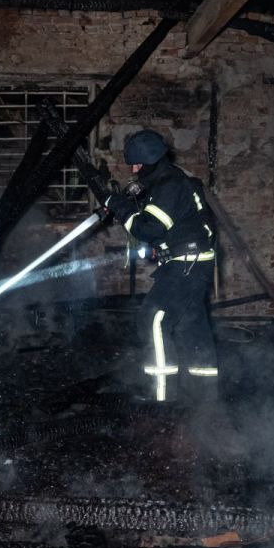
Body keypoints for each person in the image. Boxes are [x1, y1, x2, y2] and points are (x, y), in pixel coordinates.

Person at [105, 130, 219, 403]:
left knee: (153, 319)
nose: (134, 170)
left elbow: (148, 229)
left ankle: (160, 398)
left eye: (137, 165)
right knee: (192, 326)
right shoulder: (172, 180)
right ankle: (205, 399)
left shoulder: (170, 185)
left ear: (150, 161)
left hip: (185, 265)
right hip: (194, 263)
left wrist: (119, 206)